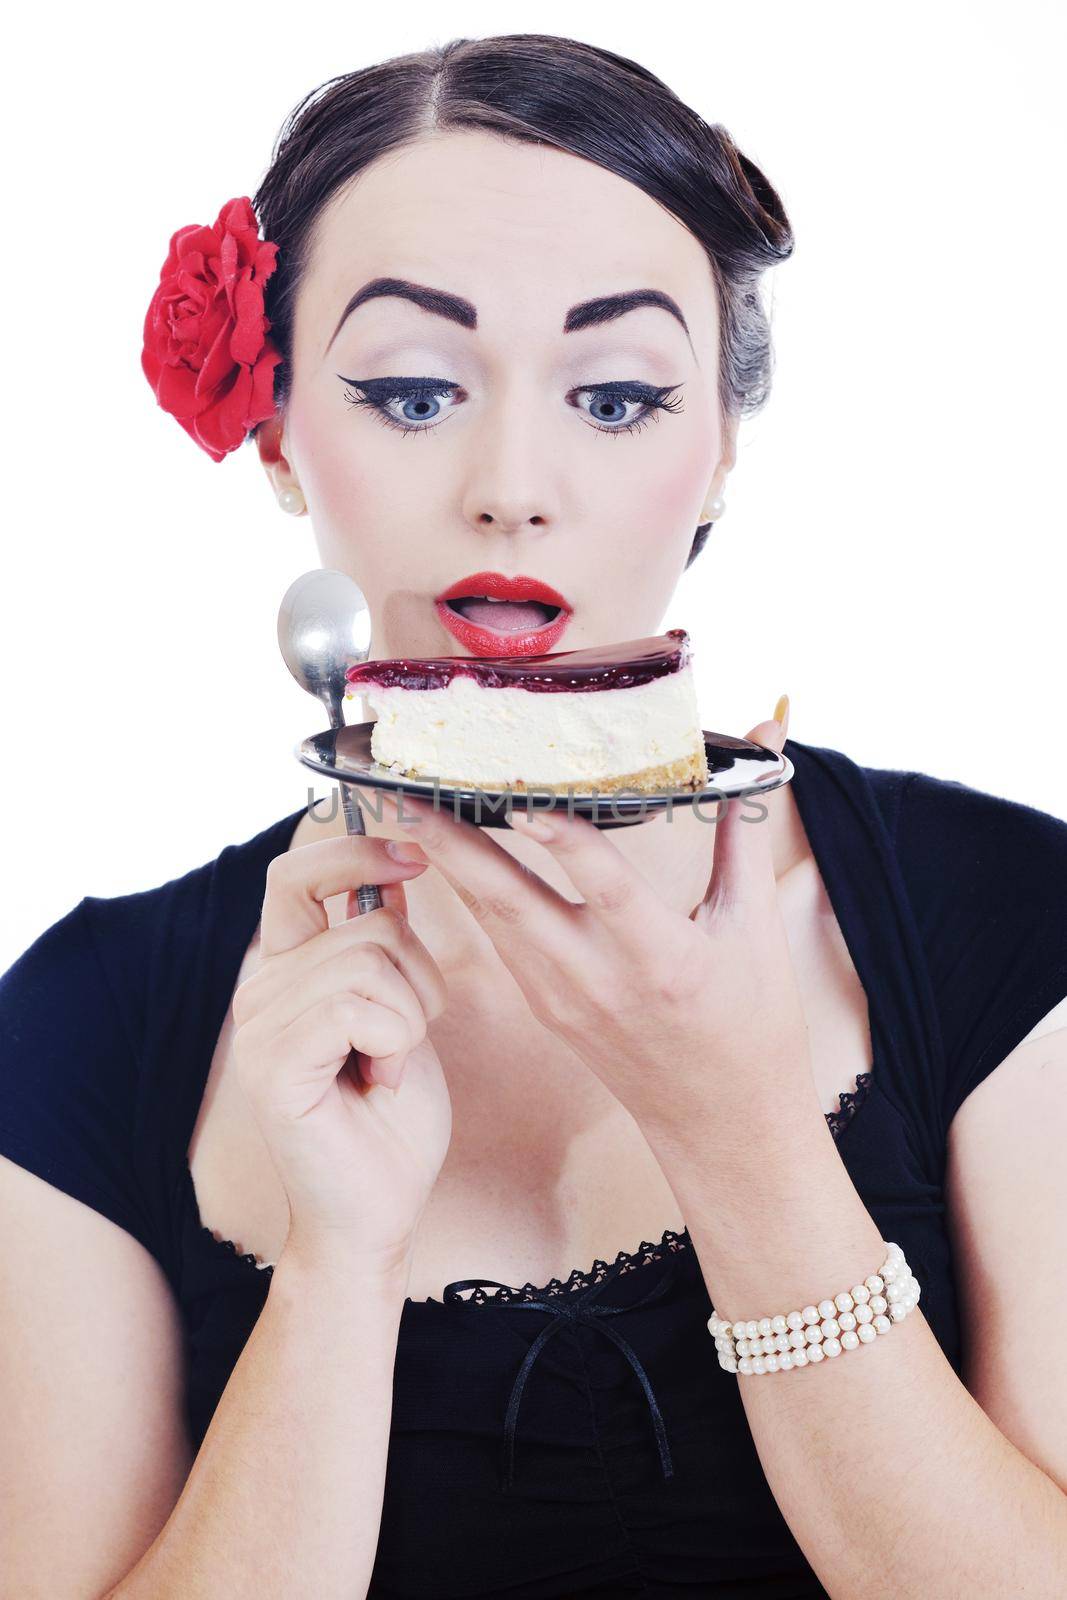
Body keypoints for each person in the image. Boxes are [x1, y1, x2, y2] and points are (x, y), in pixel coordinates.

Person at [3, 33, 1066, 1600]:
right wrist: (337, 1267)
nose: (512, 482)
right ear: (283, 435)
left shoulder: (1012, 925)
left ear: (721, 453)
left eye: (621, 397)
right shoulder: (83, 1026)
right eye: (414, 391)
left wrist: (740, 1137)